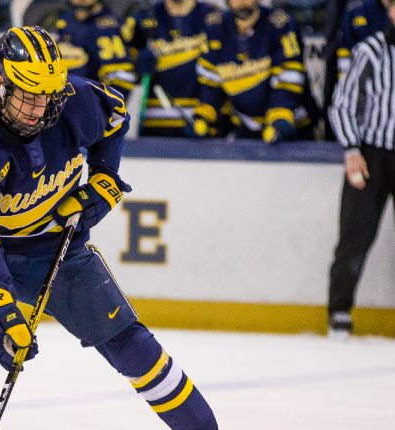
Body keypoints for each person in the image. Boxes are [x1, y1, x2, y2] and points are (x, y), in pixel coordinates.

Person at [0, 25, 218, 430]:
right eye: (28, 94)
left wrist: (105, 180)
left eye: (47, 94)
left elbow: (115, 118)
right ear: (1, 81)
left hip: (55, 249)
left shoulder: (74, 101)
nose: (40, 109)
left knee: (131, 343)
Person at [326, 1, 395, 340]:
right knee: (355, 236)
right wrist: (352, 150)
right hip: (371, 155)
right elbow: (342, 103)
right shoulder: (370, 51)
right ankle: (339, 309)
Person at [191, 0, 313, 142]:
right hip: (246, 131)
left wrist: (280, 117)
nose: (242, 1)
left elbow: (290, 75)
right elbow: (210, 82)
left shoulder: (281, 23)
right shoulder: (215, 27)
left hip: (293, 129)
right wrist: (204, 115)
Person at [123, 0, 218, 136]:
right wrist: (136, 67)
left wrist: (207, 114)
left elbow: (223, 71)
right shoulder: (141, 17)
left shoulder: (214, 18)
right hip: (153, 123)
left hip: (200, 123)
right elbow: (118, 70)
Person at [51, 0, 135, 97]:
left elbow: (122, 78)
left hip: (87, 101)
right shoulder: (58, 19)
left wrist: (101, 107)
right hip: (55, 102)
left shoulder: (109, 27)